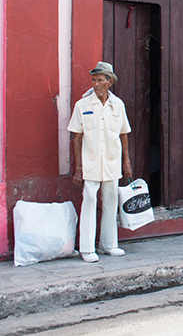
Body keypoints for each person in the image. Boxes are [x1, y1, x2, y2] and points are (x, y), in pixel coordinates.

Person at [68, 62, 132, 263]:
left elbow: (123, 135)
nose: (96, 84)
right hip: (91, 163)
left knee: (111, 202)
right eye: (94, 80)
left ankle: (108, 245)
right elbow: (77, 138)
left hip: (112, 161)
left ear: (109, 82)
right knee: (90, 201)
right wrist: (78, 169)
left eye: (100, 80)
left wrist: (126, 161)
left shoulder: (118, 105)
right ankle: (87, 249)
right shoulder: (82, 105)